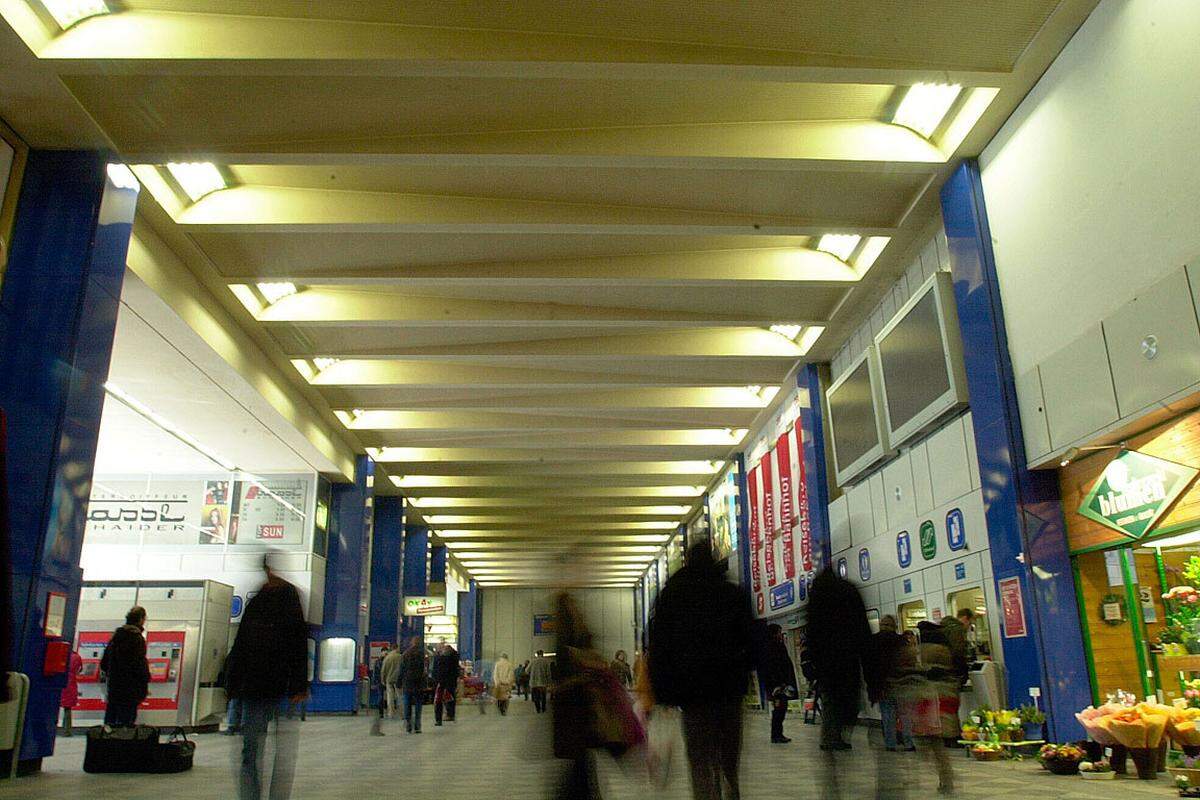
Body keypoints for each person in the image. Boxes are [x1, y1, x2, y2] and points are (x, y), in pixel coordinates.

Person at [649, 542, 753, 800]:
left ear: (687, 561)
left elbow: (659, 645)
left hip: (692, 693)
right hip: (729, 689)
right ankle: (731, 789)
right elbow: (751, 639)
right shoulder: (732, 593)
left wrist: (663, 692)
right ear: (715, 559)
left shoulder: (672, 595)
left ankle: (707, 794)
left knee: (700, 759)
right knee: (729, 756)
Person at [224, 555, 309, 800]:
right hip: (256, 686)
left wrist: (298, 685)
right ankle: (251, 796)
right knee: (251, 749)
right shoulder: (259, 599)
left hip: (278, 686)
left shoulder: (287, 597)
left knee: (276, 752)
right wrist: (234, 683)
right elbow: (241, 645)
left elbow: (298, 643)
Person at [806, 567, 873, 752]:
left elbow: (811, 634)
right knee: (849, 702)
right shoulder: (849, 591)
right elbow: (863, 630)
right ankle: (837, 735)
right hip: (848, 660)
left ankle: (830, 738)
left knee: (830, 703)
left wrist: (815, 664)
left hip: (827, 666)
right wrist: (869, 667)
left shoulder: (817, 597)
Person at [100, 605, 150, 727]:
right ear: (141, 619)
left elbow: (104, 663)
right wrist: (145, 681)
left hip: (114, 688)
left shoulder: (115, 638)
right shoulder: (137, 639)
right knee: (126, 725)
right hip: (130, 690)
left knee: (111, 724)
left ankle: (107, 743)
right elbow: (139, 665)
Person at [871, 616, 916, 752]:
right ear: (894, 625)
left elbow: (869, 665)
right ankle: (908, 743)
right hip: (901, 683)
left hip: (883, 684)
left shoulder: (873, 641)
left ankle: (890, 744)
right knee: (905, 714)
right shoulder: (901, 640)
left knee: (887, 715)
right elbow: (909, 660)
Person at [760, 624, 799, 744]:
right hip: (777, 686)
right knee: (779, 709)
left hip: (782, 684)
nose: (780, 635)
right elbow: (772, 668)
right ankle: (776, 735)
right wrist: (777, 683)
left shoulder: (777, 645)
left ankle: (778, 733)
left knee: (781, 708)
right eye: (778, 632)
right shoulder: (770, 647)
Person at [400, 639, 427, 733]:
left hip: (408, 683)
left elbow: (402, 669)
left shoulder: (405, 654)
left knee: (407, 703)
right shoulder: (422, 655)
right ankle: (417, 725)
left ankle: (408, 724)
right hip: (418, 683)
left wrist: (399, 682)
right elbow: (424, 670)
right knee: (418, 705)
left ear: (411, 643)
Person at [433, 639, 460, 726]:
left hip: (441, 683)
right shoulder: (454, 658)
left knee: (439, 701)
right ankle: (450, 714)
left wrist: (436, 681)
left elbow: (437, 671)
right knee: (451, 698)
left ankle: (439, 719)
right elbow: (456, 671)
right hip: (451, 682)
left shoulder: (441, 659)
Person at [60, 647, 82, 736]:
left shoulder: (62, 656)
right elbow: (79, 670)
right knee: (67, 709)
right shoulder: (77, 657)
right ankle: (67, 731)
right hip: (71, 684)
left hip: (59, 682)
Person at [370, 644, 390, 736]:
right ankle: (381, 712)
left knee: (387, 697)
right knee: (381, 697)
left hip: (387, 681)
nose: (385, 653)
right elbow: (375, 672)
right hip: (380, 682)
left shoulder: (386, 660)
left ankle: (385, 711)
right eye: (384, 651)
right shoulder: (378, 661)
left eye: (386, 651)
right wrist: (375, 682)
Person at [529, 649, 552, 714]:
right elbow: (548, 673)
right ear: (542, 654)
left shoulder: (533, 661)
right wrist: (549, 682)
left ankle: (538, 709)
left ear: (537, 654)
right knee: (543, 697)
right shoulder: (546, 662)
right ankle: (543, 709)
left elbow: (527, 670)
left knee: (536, 697)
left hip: (534, 683)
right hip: (543, 683)